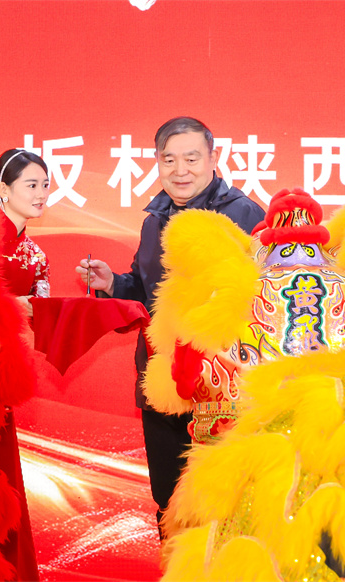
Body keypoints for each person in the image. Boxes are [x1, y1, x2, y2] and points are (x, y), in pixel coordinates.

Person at [75, 116, 265, 534]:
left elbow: (264, 298)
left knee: (227, 501)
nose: (181, 170)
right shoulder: (155, 219)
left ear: (213, 158)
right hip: (163, 379)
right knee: (168, 496)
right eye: (169, 160)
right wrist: (114, 284)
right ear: (157, 162)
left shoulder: (244, 215)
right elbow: (149, 292)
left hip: (222, 386)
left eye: (192, 159)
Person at [0, 148, 52, 317]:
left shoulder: (36, 256)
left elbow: (43, 314)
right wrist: (10, 306)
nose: (42, 195)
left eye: (45, 185)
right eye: (32, 186)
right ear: (4, 189)